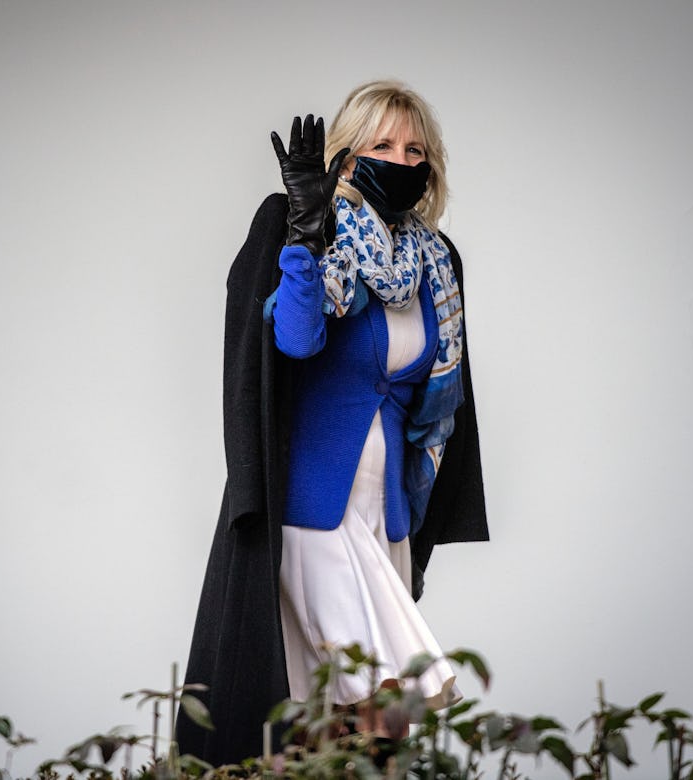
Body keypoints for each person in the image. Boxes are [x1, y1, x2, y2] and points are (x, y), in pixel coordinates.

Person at [176, 80, 488, 767]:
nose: (400, 160)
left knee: (351, 718)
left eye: (415, 149)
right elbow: (294, 339)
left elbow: (442, 393)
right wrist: (303, 239)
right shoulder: (311, 230)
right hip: (313, 509)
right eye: (382, 144)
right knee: (375, 697)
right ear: (347, 155)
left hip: (388, 514)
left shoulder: (436, 260)